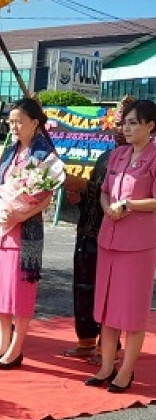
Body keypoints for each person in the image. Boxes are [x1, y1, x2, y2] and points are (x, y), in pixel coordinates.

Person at [0, 98, 60, 369]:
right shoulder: (11, 151)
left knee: (19, 291)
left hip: (23, 231)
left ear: (35, 123)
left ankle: (16, 347)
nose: (13, 126)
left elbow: (45, 196)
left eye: (18, 121)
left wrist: (20, 215)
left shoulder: (44, 155)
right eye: (10, 121)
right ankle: (2, 342)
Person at [86, 99, 156, 393]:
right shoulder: (117, 155)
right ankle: (106, 367)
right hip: (109, 238)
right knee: (106, 306)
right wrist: (108, 206)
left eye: (134, 123)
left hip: (138, 244)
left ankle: (126, 371)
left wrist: (128, 204)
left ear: (150, 126)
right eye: (125, 122)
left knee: (131, 309)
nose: (126, 128)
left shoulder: (155, 157)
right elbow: (104, 191)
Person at [62, 95, 133, 362]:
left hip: (114, 236)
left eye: (126, 123)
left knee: (108, 293)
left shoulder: (139, 158)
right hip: (88, 230)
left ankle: (109, 347)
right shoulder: (106, 155)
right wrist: (79, 196)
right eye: (116, 123)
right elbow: (96, 195)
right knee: (83, 287)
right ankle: (86, 340)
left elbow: (121, 197)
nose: (119, 129)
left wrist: (84, 186)